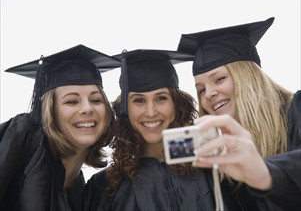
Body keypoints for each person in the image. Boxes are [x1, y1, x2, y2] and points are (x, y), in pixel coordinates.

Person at [82, 49, 278, 211]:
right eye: (139, 100)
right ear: (124, 109)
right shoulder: (104, 188)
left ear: (177, 104)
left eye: (161, 98)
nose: (151, 112)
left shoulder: (217, 168)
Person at [177, 17, 301, 210]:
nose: (208, 94)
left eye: (219, 79)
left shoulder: (296, 110)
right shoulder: (224, 156)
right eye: (201, 90)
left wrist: (265, 172)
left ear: (247, 76)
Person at [0, 44, 120, 211]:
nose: (87, 108)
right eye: (72, 101)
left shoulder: (84, 193)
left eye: (96, 100)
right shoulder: (25, 135)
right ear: (50, 110)